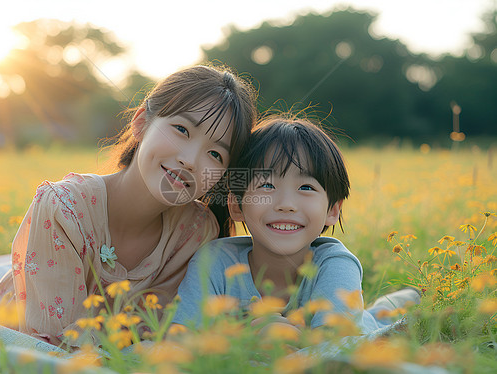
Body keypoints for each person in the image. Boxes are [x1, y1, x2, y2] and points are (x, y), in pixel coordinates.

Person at [0, 64, 258, 348]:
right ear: (142, 122)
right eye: (181, 130)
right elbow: (56, 340)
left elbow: (161, 332)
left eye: (215, 154)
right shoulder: (64, 207)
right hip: (4, 345)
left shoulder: (196, 231)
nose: (190, 160)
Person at [172, 116, 421, 334]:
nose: (286, 204)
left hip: (362, 329)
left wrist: (279, 337)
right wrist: (247, 338)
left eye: (306, 187)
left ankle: (398, 302)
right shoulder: (214, 261)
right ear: (236, 205)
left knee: (379, 320)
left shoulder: (335, 264)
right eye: (266, 185)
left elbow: (336, 344)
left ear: (332, 211)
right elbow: (180, 337)